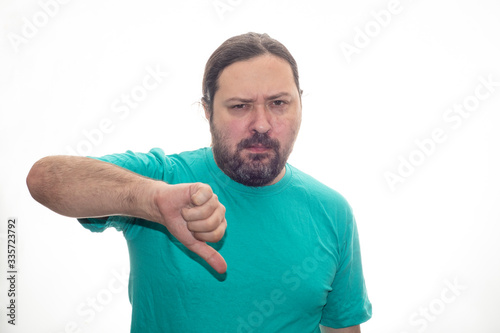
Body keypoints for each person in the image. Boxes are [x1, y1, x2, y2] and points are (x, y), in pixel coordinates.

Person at [27, 32, 372, 332]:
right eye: (240, 106)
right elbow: (45, 179)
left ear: (300, 104)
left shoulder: (333, 212)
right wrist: (151, 200)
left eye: (279, 103)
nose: (263, 124)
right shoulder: (165, 178)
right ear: (207, 111)